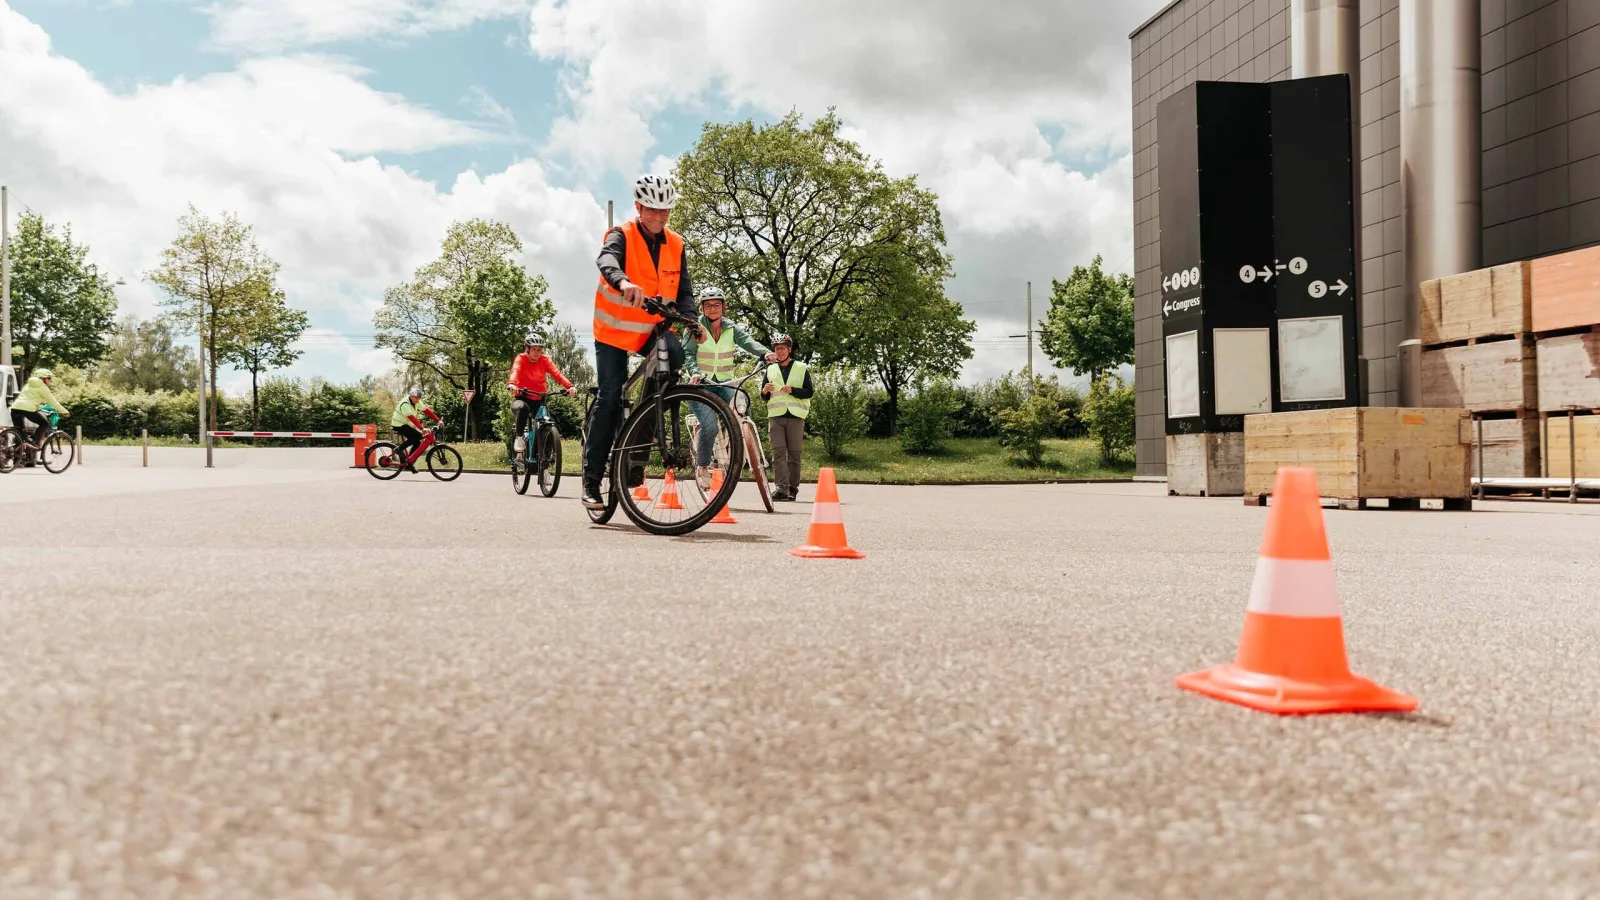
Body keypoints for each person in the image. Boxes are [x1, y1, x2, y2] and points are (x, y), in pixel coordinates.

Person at [583, 173, 704, 509]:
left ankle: (637, 445)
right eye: (652, 210)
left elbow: (684, 292)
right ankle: (591, 482)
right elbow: (606, 261)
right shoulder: (620, 234)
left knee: (674, 357)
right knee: (610, 397)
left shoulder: (676, 244)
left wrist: (692, 320)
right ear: (638, 207)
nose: (659, 216)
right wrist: (623, 283)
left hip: (651, 330)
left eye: (665, 211)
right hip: (613, 333)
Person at [684, 286, 775, 488]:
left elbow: (749, 343)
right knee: (710, 427)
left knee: (742, 403)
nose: (713, 309)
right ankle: (702, 466)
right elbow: (688, 354)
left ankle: (746, 447)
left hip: (725, 382)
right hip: (701, 385)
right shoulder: (694, 327)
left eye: (717, 305)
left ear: (724, 307)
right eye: (708, 305)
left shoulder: (731, 328)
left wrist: (766, 353)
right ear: (703, 308)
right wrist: (695, 372)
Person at [507, 328, 577, 458]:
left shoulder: (544, 360)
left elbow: (557, 374)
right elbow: (515, 370)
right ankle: (519, 437)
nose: (536, 352)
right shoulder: (521, 358)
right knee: (522, 408)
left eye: (539, 349)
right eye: (533, 349)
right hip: (522, 396)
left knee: (548, 424)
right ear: (527, 349)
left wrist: (570, 386)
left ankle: (544, 463)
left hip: (539, 399)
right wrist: (512, 384)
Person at [761, 336, 813, 502]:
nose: (780, 351)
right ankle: (781, 489)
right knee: (778, 454)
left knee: (794, 455)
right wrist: (764, 391)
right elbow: (764, 396)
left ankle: (792, 489)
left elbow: (809, 392)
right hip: (775, 417)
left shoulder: (801, 367)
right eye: (777, 348)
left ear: (789, 349)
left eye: (783, 348)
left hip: (795, 417)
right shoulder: (769, 370)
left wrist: (792, 390)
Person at [9, 368, 69, 464]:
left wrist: (38, 407)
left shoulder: (28, 385)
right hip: (28, 409)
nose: (50, 380)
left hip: (15, 408)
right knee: (45, 423)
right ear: (43, 378)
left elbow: (27, 399)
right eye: (49, 378)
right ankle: (33, 443)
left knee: (20, 432)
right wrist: (64, 411)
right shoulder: (43, 388)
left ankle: (17, 459)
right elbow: (53, 402)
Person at [391, 385, 435, 471]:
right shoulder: (405, 403)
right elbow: (411, 417)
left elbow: (426, 410)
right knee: (417, 436)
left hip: (405, 424)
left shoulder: (417, 402)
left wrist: (437, 420)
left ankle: (409, 463)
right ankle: (399, 449)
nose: (417, 399)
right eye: (416, 397)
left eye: (419, 397)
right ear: (411, 396)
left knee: (417, 442)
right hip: (398, 424)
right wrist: (422, 429)